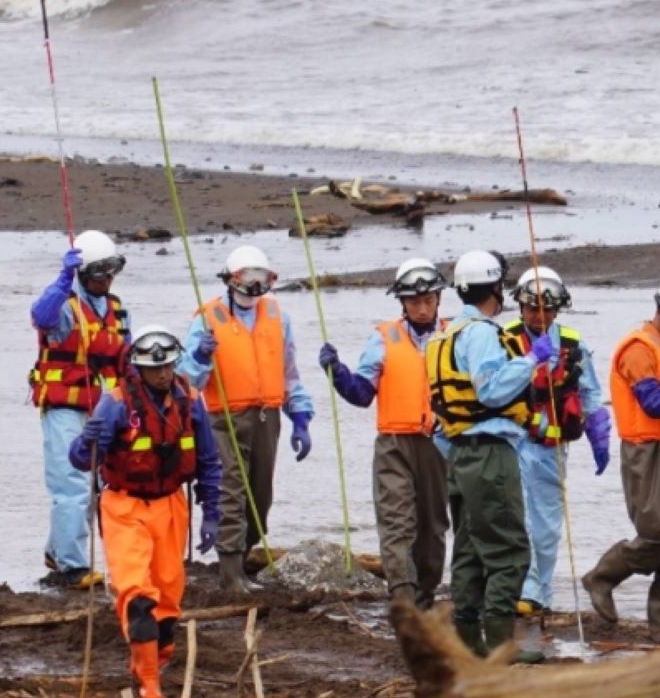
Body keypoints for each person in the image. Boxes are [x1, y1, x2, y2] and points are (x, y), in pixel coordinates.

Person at [71, 326, 222, 698]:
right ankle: (150, 685)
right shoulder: (116, 404)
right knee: (138, 595)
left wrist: (212, 512)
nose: (164, 374)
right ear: (138, 369)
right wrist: (88, 440)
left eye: (168, 366)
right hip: (125, 506)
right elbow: (79, 459)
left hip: (171, 505)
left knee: (169, 599)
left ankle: (150, 664)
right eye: (155, 369)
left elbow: (208, 460)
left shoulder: (190, 399)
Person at [425, 249, 551, 661]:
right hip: (488, 456)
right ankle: (499, 645)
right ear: (495, 288)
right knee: (510, 550)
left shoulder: (443, 335)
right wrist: (532, 359)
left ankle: (466, 640)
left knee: (470, 548)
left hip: (460, 455)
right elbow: (491, 390)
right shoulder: (480, 332)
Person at [177, 245, 314, 596]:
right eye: (248, 280)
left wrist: (300, 416)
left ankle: (244, 549)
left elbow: (289, 371)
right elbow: (186, 380)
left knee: (260, 495)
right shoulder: (207, 319)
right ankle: (231, 571)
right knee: (231, 491)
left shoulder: (277, 316)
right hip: (222, 419)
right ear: (232, 280)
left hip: (267, 419)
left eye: (262, 280)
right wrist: (200, 355)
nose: (255, 289)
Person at [583, 275, 660, 640]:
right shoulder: (639, 349)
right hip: (645, 452)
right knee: (658, 537)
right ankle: (602, 577)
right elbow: (652, 401)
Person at [318, 258, 450, 609]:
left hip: (440, 444)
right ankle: (403, 599)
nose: (423, 308)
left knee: (433, 529)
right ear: (402, 303)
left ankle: (425, 595)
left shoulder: (454, 335)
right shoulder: (383, 339)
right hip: (394, 444)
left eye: (429, 300)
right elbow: (361, 394)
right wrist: (336, 371)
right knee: (396, 523)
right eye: (414, 301)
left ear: (439, 299)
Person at [500, 266, 609, 615]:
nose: (539, 315)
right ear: (520, 306)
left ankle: (540, 594)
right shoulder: (504, 338)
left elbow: (590, 395)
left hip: (551, 448)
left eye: (547, 308)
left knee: (545, 528)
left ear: (559, 308)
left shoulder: (574, 344)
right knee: (515, 521)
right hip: (511, 442)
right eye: (532, 308)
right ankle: (520, 590)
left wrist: (599, 438)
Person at [29, 231, 129, 589]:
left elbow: (127, 360)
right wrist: (61, 281)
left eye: (111, 271)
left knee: (97, 485)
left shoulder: (116, 309)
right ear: (84, 273)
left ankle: (57, 550)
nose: (106, 279)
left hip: (102, 410)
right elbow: (41, 317)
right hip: (64, 408)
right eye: (99, 273)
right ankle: (72, 565)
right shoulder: (66, 308)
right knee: (70, 483)